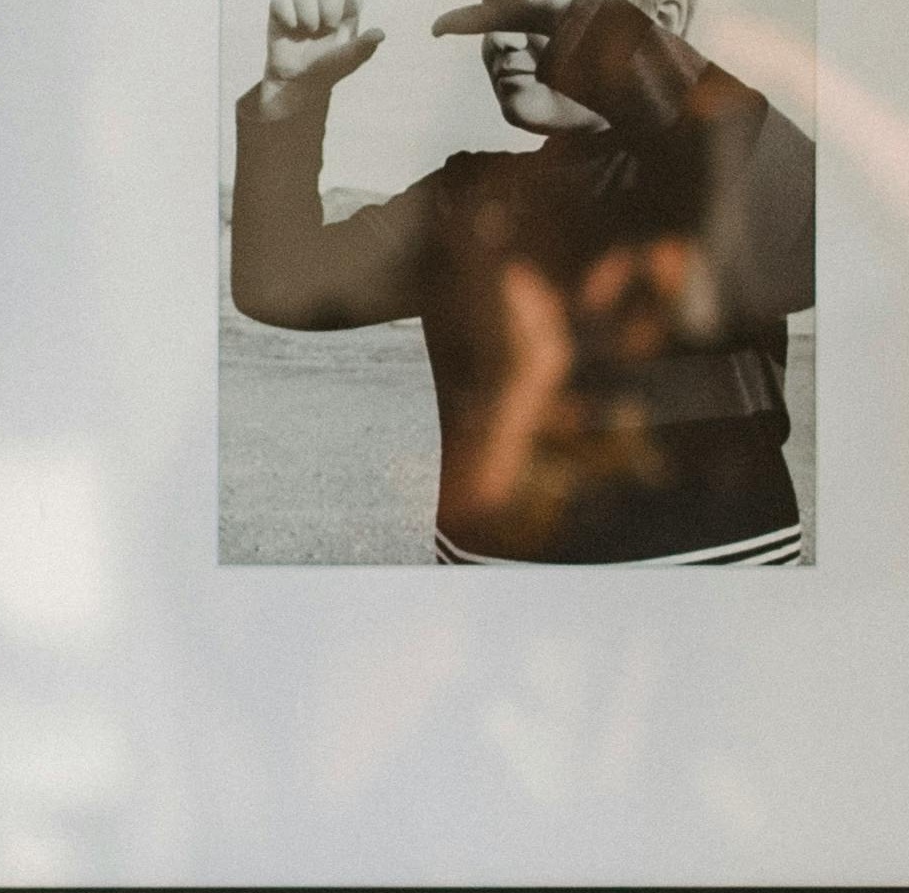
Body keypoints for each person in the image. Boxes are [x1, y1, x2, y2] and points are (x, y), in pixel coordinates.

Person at [231, 0, 815, 565]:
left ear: (664, 17)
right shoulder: (464, 203)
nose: (503, 37)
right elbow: (279, 281)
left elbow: (806, 241)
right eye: (496, 9)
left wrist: (590, 28)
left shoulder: (728, 192)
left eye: (532, 8)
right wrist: (290, 100)